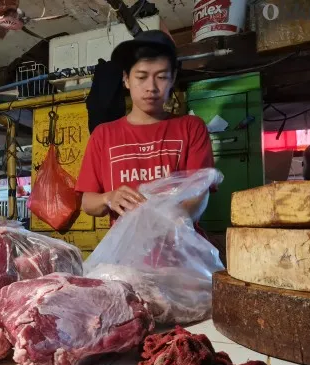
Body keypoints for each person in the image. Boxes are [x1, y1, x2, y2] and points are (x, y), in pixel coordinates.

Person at [75, 30, 214, 224]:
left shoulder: (191, 128)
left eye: (161, 77)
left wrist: (172, 222)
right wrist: (109, 197)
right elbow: (88, 201)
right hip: (128, 251)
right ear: (126, 79)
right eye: (141, 77)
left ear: (173, 78)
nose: (151, 87)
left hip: (178, 248)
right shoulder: (103, 135)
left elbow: (200, 193)